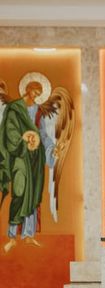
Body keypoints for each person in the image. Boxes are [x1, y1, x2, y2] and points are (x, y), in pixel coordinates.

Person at [0, 80, 55, 253]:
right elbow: (10, 132)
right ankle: (12, 237)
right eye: (34, 92)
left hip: (35, 158)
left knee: (33, 195)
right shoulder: (14, 108)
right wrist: (23, 140)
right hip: (19, 156)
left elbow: (43, 134)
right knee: (19, 191)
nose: (36, 96)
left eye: (39, 93)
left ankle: (28, 234)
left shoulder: (38, 111)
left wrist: (51, 148)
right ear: (28, 89)